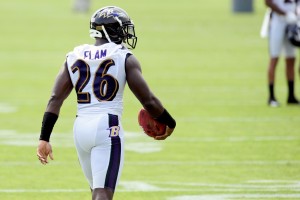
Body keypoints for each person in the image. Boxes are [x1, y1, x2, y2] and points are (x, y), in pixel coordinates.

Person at [36, 6, 176, 200]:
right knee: (103, 192)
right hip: (107, 126)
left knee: (97, 190)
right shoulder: (123, 56)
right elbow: (149, 101)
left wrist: (44, 137)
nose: (126, 33)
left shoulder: (74, 55)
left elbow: (55, 98)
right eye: (122, 29)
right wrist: (170, 122)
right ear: (111, 31)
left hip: (80, 127)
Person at [265, 0, 300, 107]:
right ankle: (271, 97)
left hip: (292, 22)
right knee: (274, 58)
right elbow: (268, 2)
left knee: (291, 59)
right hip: (277, 21)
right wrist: (285, 13)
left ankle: (291, 95)